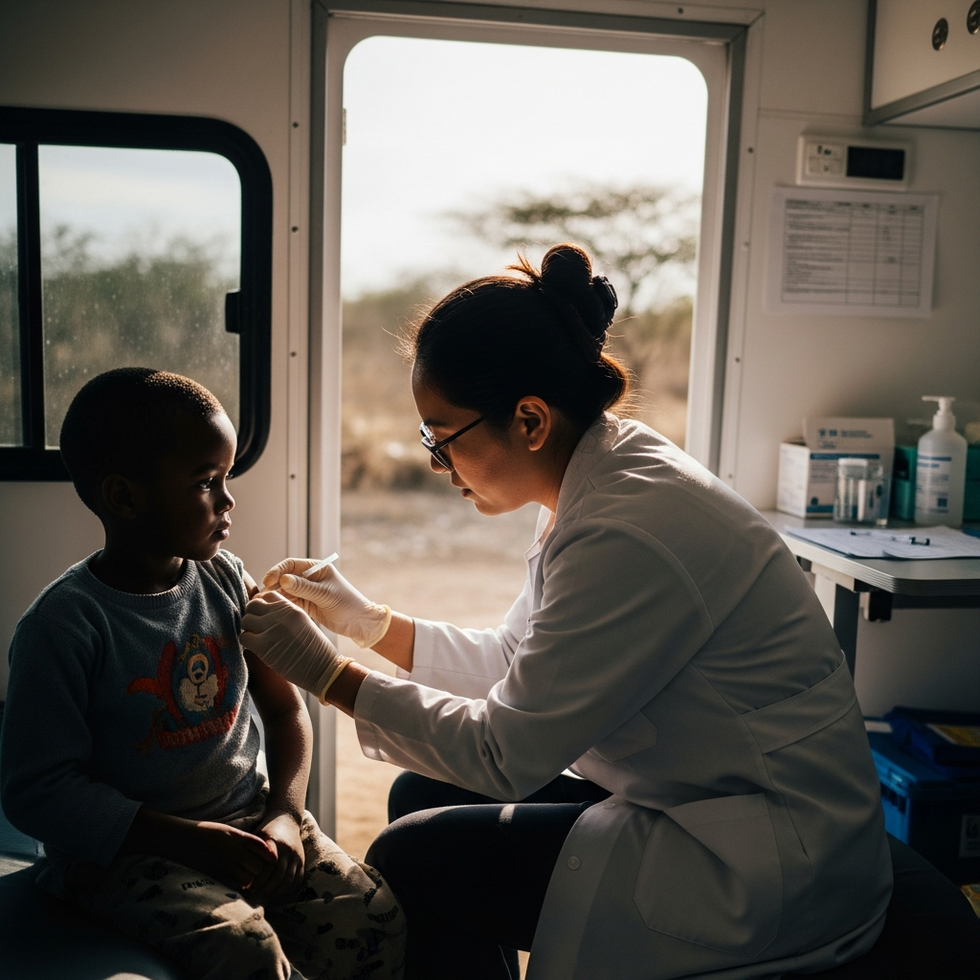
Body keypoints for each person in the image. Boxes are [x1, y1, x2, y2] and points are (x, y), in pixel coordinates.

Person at [241, 244, 893, 980]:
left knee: (412, 856)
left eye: (441, 435)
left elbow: (502, 755)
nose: (433, 462)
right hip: (699, 791)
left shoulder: (628, 530)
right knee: (419, 790)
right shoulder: (594, 476)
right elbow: (514, 667)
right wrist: (368, 622)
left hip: (766, 851)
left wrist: (326, 674)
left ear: (529, 419)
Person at [0, 368, 405, 980]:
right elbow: (37, 792)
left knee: (370, 913)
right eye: (206, 482)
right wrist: (194, 841)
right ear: (124, 497)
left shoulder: (224, 581)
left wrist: (286, 816)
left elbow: (286, 708)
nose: (228, 500)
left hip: (249, 823)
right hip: (126, 854)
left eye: (228, 478)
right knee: (245, 949)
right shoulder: (64, 626)